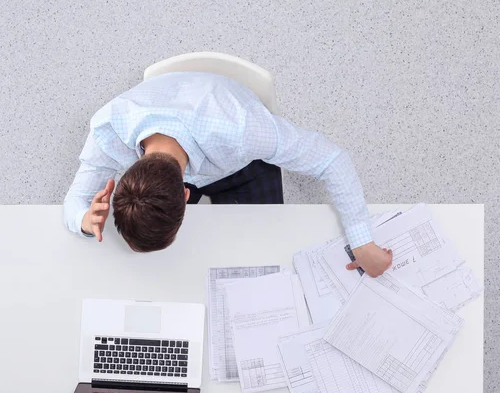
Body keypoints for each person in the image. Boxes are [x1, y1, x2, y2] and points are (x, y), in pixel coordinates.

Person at [64, 71, 392, 277]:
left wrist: (362, 241)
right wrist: (84, 220)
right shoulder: (110, 132)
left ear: (186, 194)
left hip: (236, 158)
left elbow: (331, 159)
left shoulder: (245, 131)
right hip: (185, 140)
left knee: (267, 261)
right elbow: (75, 201)